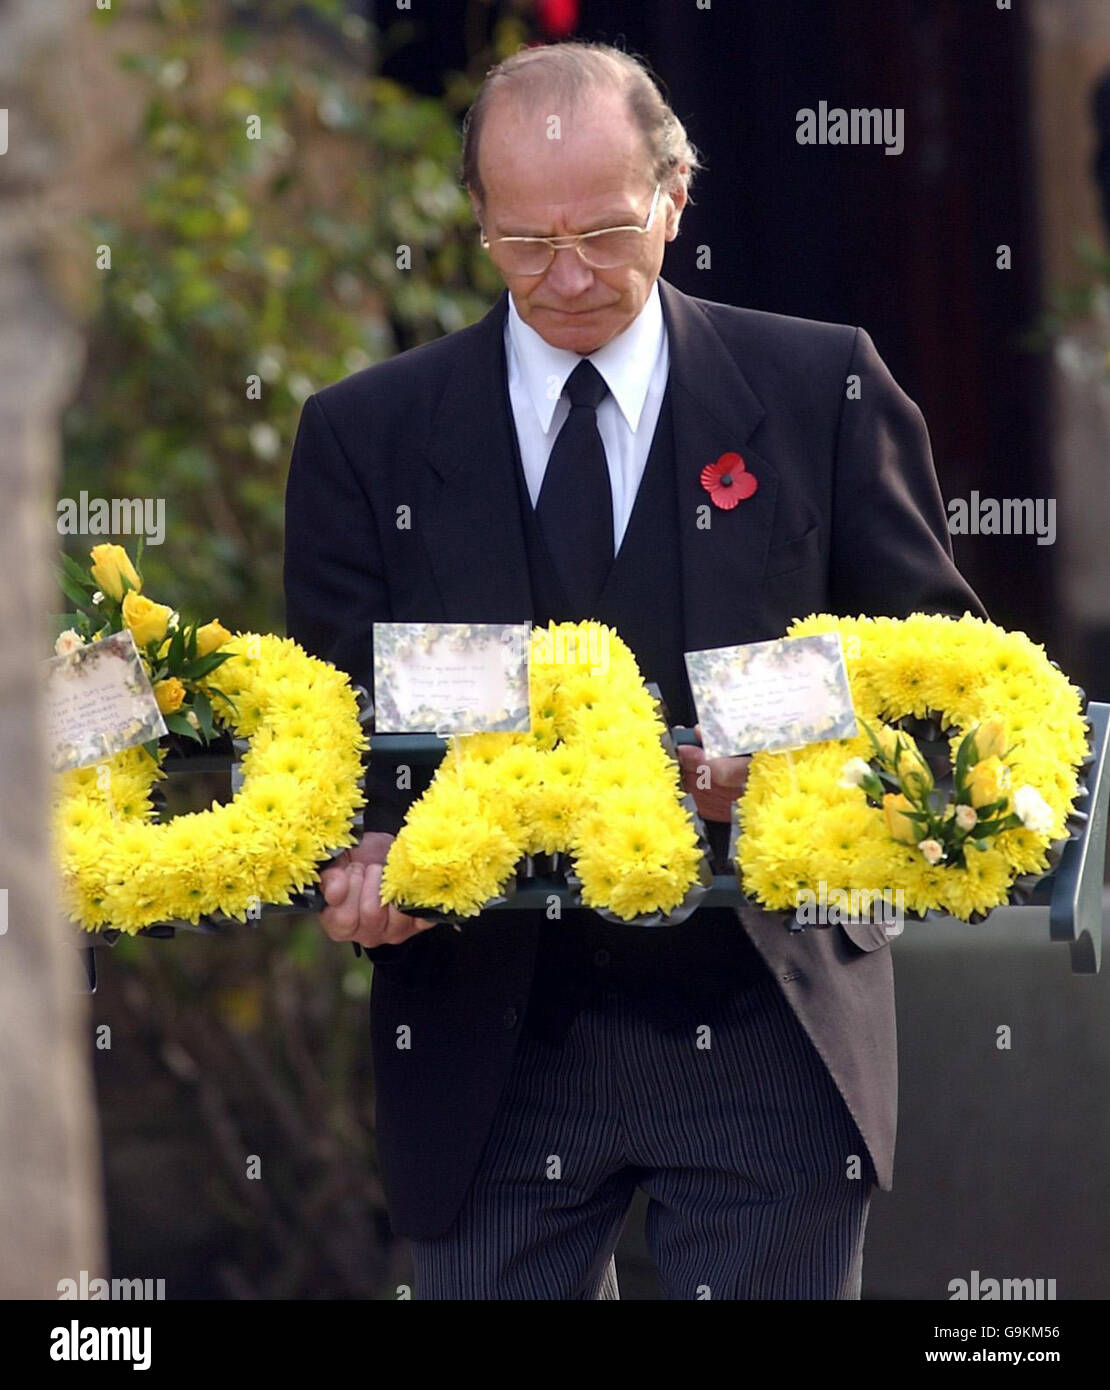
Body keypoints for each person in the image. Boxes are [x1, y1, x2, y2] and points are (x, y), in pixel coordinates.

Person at [283, 39, 986, 1300]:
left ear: (676, 193)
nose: (566, 278)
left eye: (605, 232)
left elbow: (948, 701)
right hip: (484, 1034)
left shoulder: (820, 389)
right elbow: (333, 744)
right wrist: (362, 862)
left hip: (770, 1016)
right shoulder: (366, 436)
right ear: (478, 225)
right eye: (523, 243)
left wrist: (788, 787)